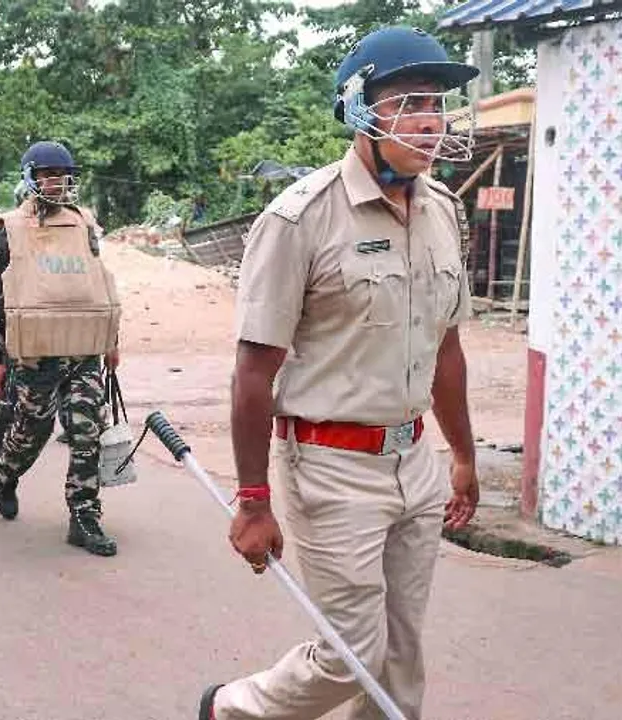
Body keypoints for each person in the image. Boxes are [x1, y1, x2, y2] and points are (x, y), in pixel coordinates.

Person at [200, 26, 480, 720]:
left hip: (413, 460)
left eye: (438, 105)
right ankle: (233, 710)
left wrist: (465, 457)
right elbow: (252, 371)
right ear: (358, 108)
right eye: (409, 100)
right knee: (352, 653)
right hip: (330, 466)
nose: (429, 120)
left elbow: (446, 350)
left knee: (402, 653)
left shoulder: (443, 211)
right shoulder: (300, 219)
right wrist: (253, 498)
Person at [0, 140, 121, 557]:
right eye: (48, 176)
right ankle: (4, 474)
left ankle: (84, 515)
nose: (57, 183)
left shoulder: (85, 224)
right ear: (31, 178)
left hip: (82, 351)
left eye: (63, 176)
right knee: (30, 433)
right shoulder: (9, 230)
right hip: (35, 352)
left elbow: (99, 284)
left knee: (87, 432)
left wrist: (111, 341)